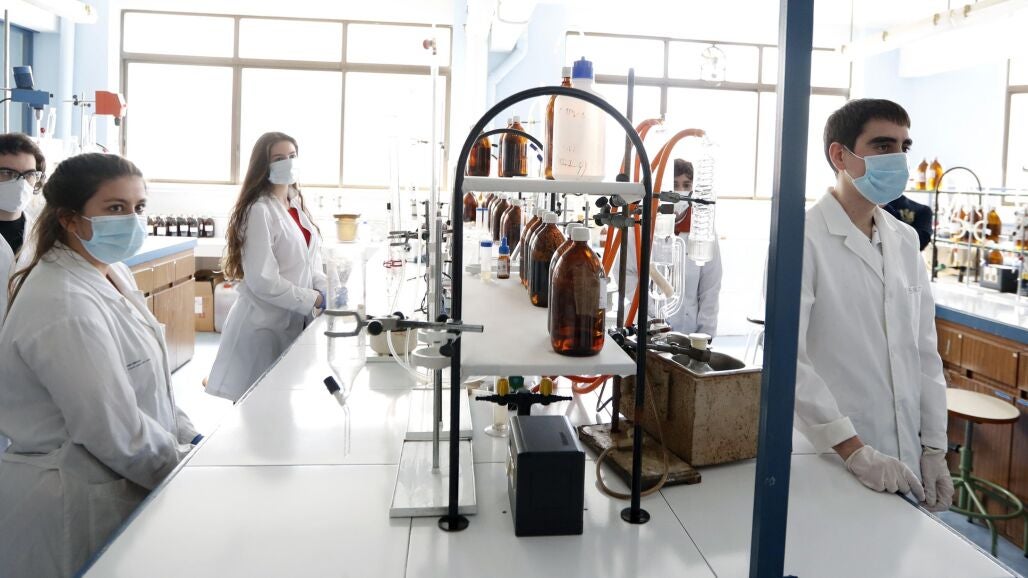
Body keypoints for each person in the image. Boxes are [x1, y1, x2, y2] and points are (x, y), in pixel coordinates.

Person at [0, 153, 200, 577]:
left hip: (111, 483)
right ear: (70, 219)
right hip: (72, 499)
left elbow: (149, 382)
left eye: (138, 207)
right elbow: (112, 430)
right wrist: (184, 471)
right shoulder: (64, 302)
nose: (132, 220)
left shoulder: (111, 271)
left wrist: (190, 436)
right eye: (115, 208)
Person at [795, 98, 953, 512]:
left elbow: (925, 353)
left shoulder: (905, 240)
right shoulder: (802, 239)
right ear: (840, 156)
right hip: (832, 458)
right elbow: (790, 362)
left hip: (904, 454)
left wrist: (934, 447)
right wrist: (853, 450)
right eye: (883, 145)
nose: (898, 159)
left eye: (904, 146)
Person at [206, 132, 327, 402]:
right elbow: (263, 280)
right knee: (256, 410)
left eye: (292, 156)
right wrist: (314, 299)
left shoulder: (295, 204)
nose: (288, 162)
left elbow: (311, 261)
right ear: (263, 165)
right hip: (261, 327)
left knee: (282, 406)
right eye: (279, 158)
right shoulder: (258, 210)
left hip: (291, 323)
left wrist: (325, 288)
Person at [625, 158, 723, 337]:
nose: (680, 191)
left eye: (686, 185)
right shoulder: (640, 227)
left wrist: (706, 333)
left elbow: (710, 287)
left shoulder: (702, 232)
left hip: (688, 331)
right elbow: (625, 273)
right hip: (646, 327)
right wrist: (649, 313)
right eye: (675, 185)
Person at [0, 133, 46, 453]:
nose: (20, 184)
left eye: (28, 175)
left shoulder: (41, 232)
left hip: (29, 353)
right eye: (6, 173)